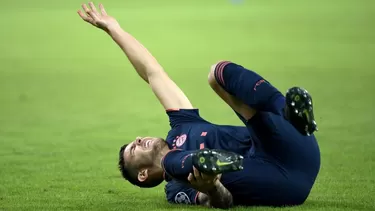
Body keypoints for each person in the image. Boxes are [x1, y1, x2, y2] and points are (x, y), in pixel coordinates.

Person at [78, 2, 320, 209]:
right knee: (185, 168)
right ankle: (205, 163)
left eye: (137, 139)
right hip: (280, 183)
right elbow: (218, 202)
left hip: (295, 146)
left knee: (216, 74)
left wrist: (114, 29)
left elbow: (153, 73)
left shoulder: (182, 126)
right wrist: (213, 188)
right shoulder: (175, 189)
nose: (140, 140)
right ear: (143, 175)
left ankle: (288, 111)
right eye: (134, 149)